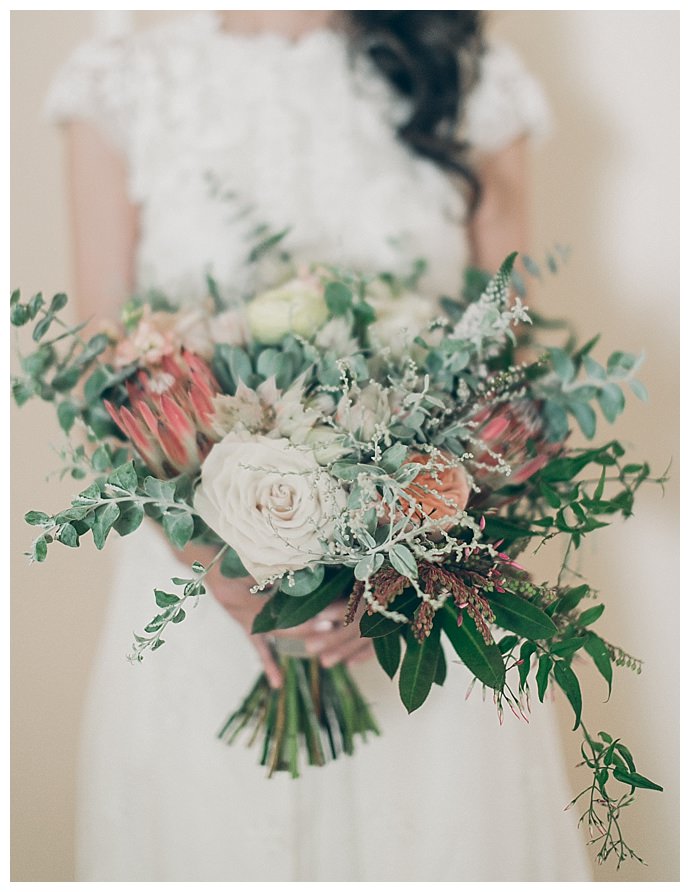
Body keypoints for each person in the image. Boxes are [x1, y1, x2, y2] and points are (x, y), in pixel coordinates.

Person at [46, 10, 592, 881]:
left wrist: (405, 567)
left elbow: (512, 365)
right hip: (199, 602)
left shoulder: (466, 71)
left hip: (423, 604)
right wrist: (214, 557)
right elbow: (110, 371)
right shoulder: (124, 77)